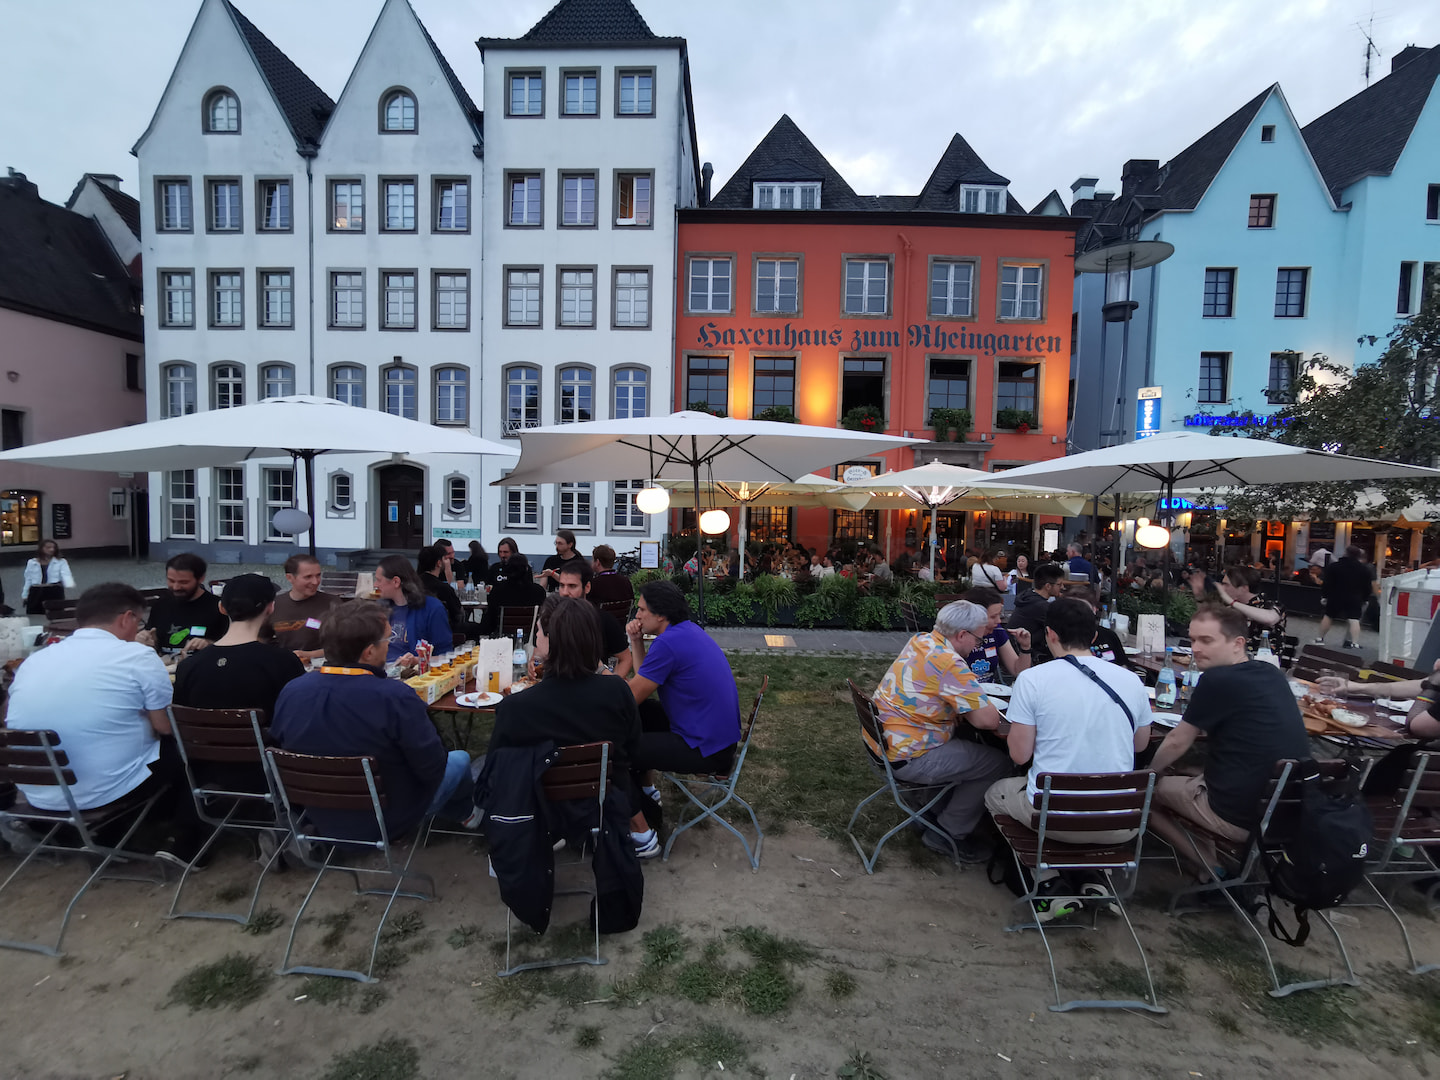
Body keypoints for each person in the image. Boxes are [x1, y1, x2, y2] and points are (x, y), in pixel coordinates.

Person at [6, 583, 203, 861]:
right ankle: (185, 837)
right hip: (101, 790)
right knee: (187, 747)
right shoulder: (137, 657)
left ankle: (109, 831)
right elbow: (164, 727)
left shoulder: (36, 661)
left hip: (38, 790)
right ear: (127, 618)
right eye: (139, 621)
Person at [985, 597, 1153, 918]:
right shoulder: (1131, 681)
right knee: (1083, 801)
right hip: (1123, 824)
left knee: (996, 794)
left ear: (1049, 634)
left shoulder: (1034, 679)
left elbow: (1020, 753)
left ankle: (1046, 882)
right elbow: (1140, 744)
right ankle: (1093, 877)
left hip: (1054, 820)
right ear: (1094, 637)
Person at [270, 601, 477, 840]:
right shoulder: (395, 696)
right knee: (459, 760)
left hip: (316, 809)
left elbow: (280, 750)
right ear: (368, 651)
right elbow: (433, 768)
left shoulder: (292, 690)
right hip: (387, 817)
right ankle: (467, 814)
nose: (389, 647)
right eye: (387, 640)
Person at [1145, 604, 1311, 880]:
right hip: (1287, 813)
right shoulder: (1271, 674)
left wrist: (1146, 774)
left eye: (1206, 640)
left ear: (1238, 644)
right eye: (1193, 639)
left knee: (1147, 795)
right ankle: (1205, 859)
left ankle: (1211, 867)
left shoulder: (1217, 679)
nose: (1196, 648)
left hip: (1242, 816)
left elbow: (1176, 741)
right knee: (1187, 773)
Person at [490, 595, 654, 855]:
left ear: (551, 639)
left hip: (538, 806)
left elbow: (496, 773)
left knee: (474, 767)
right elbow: (632, 751)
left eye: (539, 631)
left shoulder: (515, 708)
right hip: (603, 802)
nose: (536, 636)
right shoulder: (618, 692)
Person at [869, 600, 1010, 862]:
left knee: (970, 741)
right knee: (998, 763)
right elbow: (987, 721)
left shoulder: (922, 640)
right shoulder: (949, 662)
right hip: (910, 755)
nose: (978, 646)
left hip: (884, 742)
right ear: (962, 635)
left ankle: (931, 811)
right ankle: (949, 831)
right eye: (979, 640)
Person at [625, 581, 741, 817]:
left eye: (642, 609)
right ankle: (646, 790)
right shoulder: (687, 630)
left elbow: (630, 696)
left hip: (705, 748)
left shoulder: (668, 643)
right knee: (642, 712)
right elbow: (643, 681)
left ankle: (643, 823)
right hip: (718, 738)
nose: (637, 615)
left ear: (661, 615)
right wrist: (636, 641)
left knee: (616, 749)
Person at [174, 573, 306, 718]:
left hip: (198, 740)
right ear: (270, 607)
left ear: (221, 608)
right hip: (264, 740)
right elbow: (299, 716)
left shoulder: (188, 666)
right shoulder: (284, 662)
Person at [556, 561, 634, 677]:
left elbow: (626, 659)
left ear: (587, 587)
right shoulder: (552, 618)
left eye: (572, 586)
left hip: (594, 684)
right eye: (562, 586)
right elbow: (537, 656)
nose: (565, 592)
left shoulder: (603, 620)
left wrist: (612, 685)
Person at [141, 552, 228, 653]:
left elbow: (230, 647)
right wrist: (145, 639)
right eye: (171, 581)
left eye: (184, 582)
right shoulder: (161, 604)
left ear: (201, 579)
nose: (176, 587)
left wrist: (209, 644)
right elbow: (154, 639)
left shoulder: (218, 607)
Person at [375, 553, 451, 662]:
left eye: (378, 580)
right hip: (381, 672)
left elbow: (447, 657)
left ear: (396, 582)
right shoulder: (381, 608)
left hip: (413, 674)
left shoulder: (432, 608)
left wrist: (416, 660)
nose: (375, 585)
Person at [1214, 565, 1290, 664]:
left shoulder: (1272, 605)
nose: (1223, 588)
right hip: (1231, 663)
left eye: (1226, 584)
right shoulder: (1231, 609)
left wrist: (1232, 602)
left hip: (1261, 665)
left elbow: (1270, 618)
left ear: (1244, 588)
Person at [269, 553, 338, 662]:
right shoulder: (274, 605)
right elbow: (262, 640)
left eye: (318, 575)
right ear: (290, 578)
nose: (315, 582)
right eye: (308, 577)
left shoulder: (332, 603)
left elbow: (344, 644)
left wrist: (309, 654)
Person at [960, 587, 1032, 681]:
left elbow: (1018, 671)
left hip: (991, 691)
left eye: (999, 615)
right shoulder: (959, 636)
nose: (998, 621)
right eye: (993, 616)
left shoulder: (997, 631)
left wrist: (1025, 647)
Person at [1316, 544, 1375, 650]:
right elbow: (1367, 586)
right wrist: (1365, 598)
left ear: (1345, 553)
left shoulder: (1334, 566)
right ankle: (1354, 643)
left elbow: (1327, 583)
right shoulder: (1364, 569)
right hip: (1354, 597)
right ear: (1359, 556)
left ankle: (1320, 639)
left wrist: (1324, 596)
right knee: (1354, 619)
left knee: (1329, 616)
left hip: (1336, 596)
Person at [1008, 562, 1067, 665]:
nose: (1062, 587)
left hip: (1018, 651)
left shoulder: (1028, 596)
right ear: (1048, 586)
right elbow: (1063, 628)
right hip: (1030, 656)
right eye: (1059, 584)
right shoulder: (1040, 606)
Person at [479, 555, 547, 638]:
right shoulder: (539, 591)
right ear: (526, 569)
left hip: (502, 636)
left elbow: (490, 621)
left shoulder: (497, 592)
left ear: (507, 569)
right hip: (530, 636)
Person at [1062, 583, 1127, 665]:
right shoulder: (1058, 638)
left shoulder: (1109, 635)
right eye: (1072, 609)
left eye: (1084, 608)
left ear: (1094, 609)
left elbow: (1124, 665)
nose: (1078, 613)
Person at [418, 544, 467, 636]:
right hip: (442, 631)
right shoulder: (443, 588)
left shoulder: (412, 584)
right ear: (439, 563)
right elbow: (458, 614)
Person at [21, 538, 74, 615]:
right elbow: (28, 579)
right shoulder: (32, 562)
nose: (51, 549)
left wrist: (67, 583)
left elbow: (66, 575)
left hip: (53, 589)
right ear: (42, 548)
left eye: (53, 547)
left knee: (56, 613)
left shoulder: (61, 562)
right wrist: (25, 595)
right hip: (36, 590)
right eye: (48, 547)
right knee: (34, 614)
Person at [584, 545, 633, 610]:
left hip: (599, 619)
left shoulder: (594, 584)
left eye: (593, 560)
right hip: (622, 619)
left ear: (598, 562)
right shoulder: (625, 581)